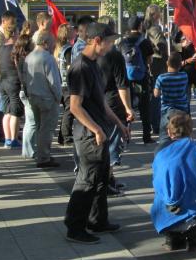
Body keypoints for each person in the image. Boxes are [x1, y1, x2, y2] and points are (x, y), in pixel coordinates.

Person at [64, 22, 130, 244]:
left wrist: (119, 124)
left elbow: (101, 102)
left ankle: (97, 220)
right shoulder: (80, 67)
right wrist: (96, 129)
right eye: (110, 42)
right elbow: (75, 106)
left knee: (102, 178)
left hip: (99, 130)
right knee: (87, 180)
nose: (112, 47)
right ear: (97, 41)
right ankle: (75, 227)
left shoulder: (93, 64)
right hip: (88, 134)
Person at [151, 112, 196, 251]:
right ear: (191, 131)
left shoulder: (159, 150)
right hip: (194, 207)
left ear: (169, 131)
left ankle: (173, 239)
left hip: (164, 210)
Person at [22, 31, 61, 168]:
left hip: (34, 97)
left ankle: (40, 154)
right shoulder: (48, 58)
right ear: (45, 43)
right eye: (51, 43)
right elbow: (54, 82)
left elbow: (25, 79)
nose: (53, 45)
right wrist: (59, 97)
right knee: (46, 129)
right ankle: (43, 157)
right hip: (47, 98)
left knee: (39, 127)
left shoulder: (29, 57)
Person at [98, 22, 134, 172]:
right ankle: (109, 179)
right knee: (112, 143)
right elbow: (122, 85)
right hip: (113, 102)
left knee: (102, 143)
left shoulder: (91, 55)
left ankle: (106, 179)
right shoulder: (114, 55)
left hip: (98, 103)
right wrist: (128, 108)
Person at [121, 16, 155, 144]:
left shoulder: (122, 42)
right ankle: (146, 136)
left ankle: (126, 135)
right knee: (145, 107)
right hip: (142, 77)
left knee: (127, 106)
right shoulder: (144, 41)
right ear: (140, 26)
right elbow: (150, 60)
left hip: (126, 78)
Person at [0, 29, 23, 148]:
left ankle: (7, 140)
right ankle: (14, 139)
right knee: (15, 112)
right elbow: (18, 65)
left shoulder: (0, 48)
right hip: (13, 81)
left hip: (3, 81)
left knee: (6, 112)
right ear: (14, 34)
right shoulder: (15, 49)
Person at [154, 52, 189, 144]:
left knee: (164, 137)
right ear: (180, 64)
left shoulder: (161, 78)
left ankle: (164, 153)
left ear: (167, 63)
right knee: (182, 135)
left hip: (167, 110)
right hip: (182, 110)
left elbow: (156, 94)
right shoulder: (184, 76)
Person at [144, 4, 168, 140]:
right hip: (157, 63)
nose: (161, 15)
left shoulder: (147, 27)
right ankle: (156, 124)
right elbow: (161, 45)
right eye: (159, 13)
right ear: (154, 15)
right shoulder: (154, 28)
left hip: (152, 63)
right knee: (156, 95)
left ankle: (154, 123)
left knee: (154, 95)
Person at [14, 35, 36, 159]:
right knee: (31, 123)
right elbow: (25, 78)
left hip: (25, 91)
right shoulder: (25, 59)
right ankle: (28, 150)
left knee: (30, 122)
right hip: (27, 91)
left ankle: (28, 149)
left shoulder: (21, 58)